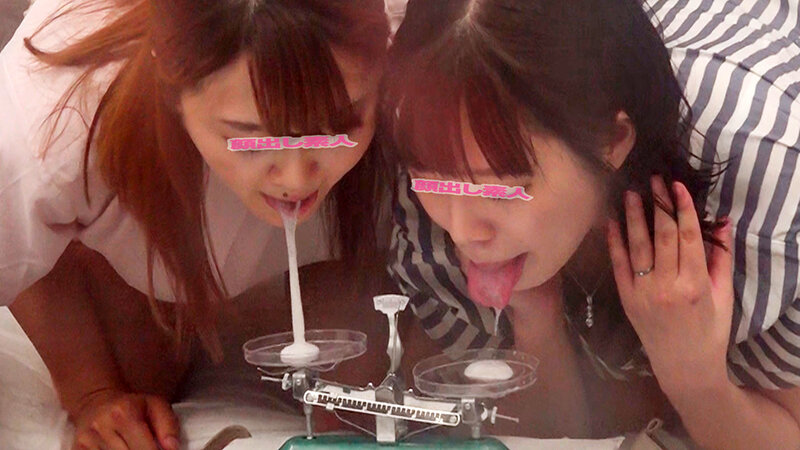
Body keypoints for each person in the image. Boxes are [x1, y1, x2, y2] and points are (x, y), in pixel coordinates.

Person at [382, 0, 800, 447]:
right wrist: (536, 326)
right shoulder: (427, 200)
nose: (464, 232)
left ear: (612, 140)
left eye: (502, 189)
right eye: (431, 177)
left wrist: (695, 381)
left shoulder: (769, 201)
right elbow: (539, 437)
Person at [0, 0, 390, 448]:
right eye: (248, 135)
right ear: (170, 87)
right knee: (143, 375)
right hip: (119, 227)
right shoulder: (56, 123)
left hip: (347, 252)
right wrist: (92, 392)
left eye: (341, 123)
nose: (296, 179)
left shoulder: (423, 60)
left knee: (362, 402)